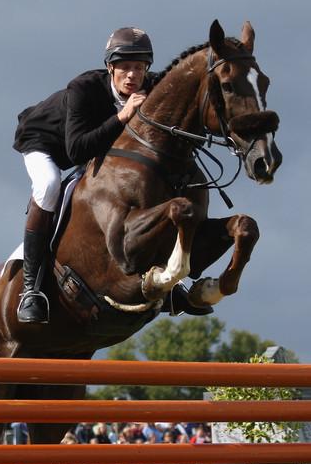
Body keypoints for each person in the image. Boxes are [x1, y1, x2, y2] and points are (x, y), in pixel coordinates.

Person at [13, 27, 211, 323]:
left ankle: (172, 283)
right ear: (110, 68)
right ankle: (31, 288)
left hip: (96, 147)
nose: (132, 75)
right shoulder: (84, 88)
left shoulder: (152, 87)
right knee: (49, 185)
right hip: (48, 143)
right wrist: (122, 116)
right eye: (125, 67)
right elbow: (77, 150)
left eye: (139, 67)